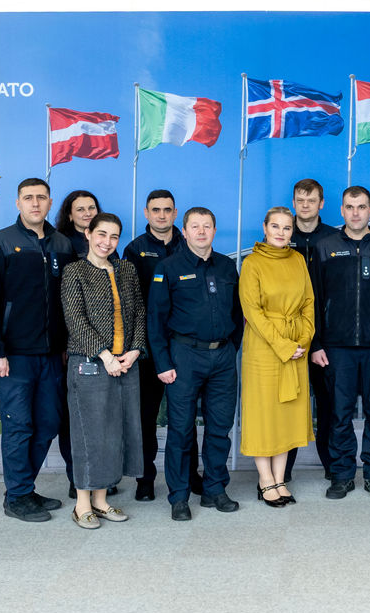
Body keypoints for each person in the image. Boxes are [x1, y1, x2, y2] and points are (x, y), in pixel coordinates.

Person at [0, 178, 76, 523]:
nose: (35, 204)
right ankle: (16, 496)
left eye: (41, 198)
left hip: (52, 355)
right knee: (20, 425)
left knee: (47, 423)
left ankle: (23, 487)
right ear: (18, 203)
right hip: (13, 355)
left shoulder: (62, 243)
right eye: (28, 198)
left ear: (50, 202)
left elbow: (70, 301)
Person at [309, 187, 370, 500]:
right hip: (337, 347)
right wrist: (316, 344)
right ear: (341, 210)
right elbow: (312, 300)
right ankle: (341, 474)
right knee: (339, 414)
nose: (355, 213)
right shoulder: (324, 248)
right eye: (350, 207)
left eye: (361, 207)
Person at [147, 207, 245, 521]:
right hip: (184, 357)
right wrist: (163, 363)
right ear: (185, 231)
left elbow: (237, 315)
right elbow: (155, 320)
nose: (201, 232)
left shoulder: (228, 266)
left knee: (220, 428)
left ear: (214, 231)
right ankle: (179, 496)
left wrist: (230, 349)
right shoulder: (169, 267)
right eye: (195, 226)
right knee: (180, 430)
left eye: (207, 226)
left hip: (222, 357)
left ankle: (215, 489)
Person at [60, 213, 146, 529]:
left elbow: (139, 312)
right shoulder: (75, 272)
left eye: (113, 236)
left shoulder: (127, 271)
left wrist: (135, 351)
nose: (106, 242)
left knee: (113, 433)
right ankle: (82, 504)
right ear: (88, 233)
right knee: (88, 435)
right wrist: (106, 356)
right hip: (91, 365)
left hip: (126, 364)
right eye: (101, 234)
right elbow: (76, 320)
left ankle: (101, 501)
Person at [122, 189, 203, 502]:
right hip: (148, 346)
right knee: (146, 417)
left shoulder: (190, 245)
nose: (161, 215)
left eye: (167, 210)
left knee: (185, 416)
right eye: (155, 210)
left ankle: (190, 474)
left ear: (175, 213)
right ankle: (145, 479)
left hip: (184, 345)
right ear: (146, 213)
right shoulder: (135, 250)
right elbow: (129, 301)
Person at [239, 207, 316, 506]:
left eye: (286, 227)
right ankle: (264, 479)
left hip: (296, 346)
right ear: (265, 227)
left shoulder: (298, 260)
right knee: (264, 414)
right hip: (264, 349)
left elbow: (309, 302)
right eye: (275, 226)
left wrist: (303, 340)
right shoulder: (252, 263)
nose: (281, 232)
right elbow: (253, 313)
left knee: (287, 414)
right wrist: (284, 346)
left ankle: (280, 477)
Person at [51, 188, 116, 498]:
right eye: (81, 209)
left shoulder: (111, 251)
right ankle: (76, 479)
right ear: (70, 214)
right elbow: (68, 308)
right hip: (74, 347)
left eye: (92, 207)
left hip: (109, 352)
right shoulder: (62, 247)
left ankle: (101, 479)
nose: (87, 212)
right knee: (75, 419)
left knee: (102, 417)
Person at [285, 178, 340, 483]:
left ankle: (331, 464)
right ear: (294, 203)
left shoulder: (334, 238)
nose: (305, 206)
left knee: (328, 403)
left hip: (325, 338)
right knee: (290, 403)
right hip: (288, 337)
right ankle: (284, 469)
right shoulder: (280, 234)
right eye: (300, 200)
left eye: (311, 201)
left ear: (321, 204)